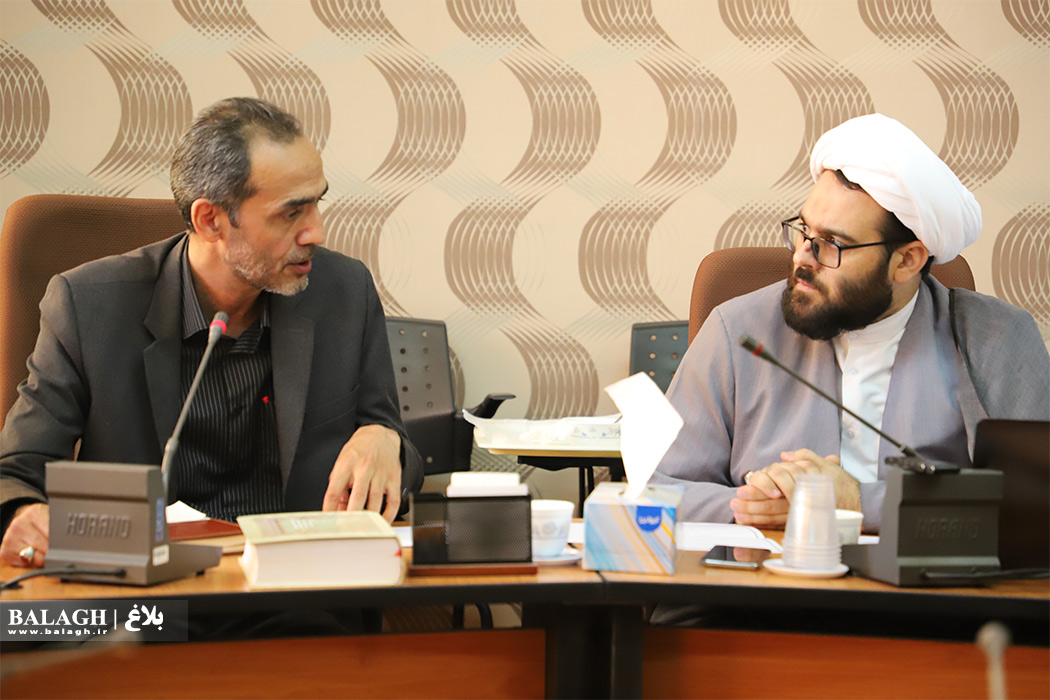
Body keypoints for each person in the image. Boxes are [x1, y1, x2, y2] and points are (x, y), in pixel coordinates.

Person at [0, 97, 424, 568]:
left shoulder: (343, 291)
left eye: (316, 204)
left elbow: (401, 459)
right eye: (291, 213)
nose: (316, 233)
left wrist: (386, 441)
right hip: (155, 588)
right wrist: (23, 513)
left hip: (300, 583)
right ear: (210, 220)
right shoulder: (89, 306)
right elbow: (16, 472)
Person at [652, 113, 1049, 533]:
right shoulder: (738, 331)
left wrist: (857, 502)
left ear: (907, 260)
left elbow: (1036, 502)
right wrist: (758, 506)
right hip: (764, 575)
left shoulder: (997, 339)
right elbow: (659, 489)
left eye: (832, 244)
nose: (802, 257)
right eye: (804, 230)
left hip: (925, 576)